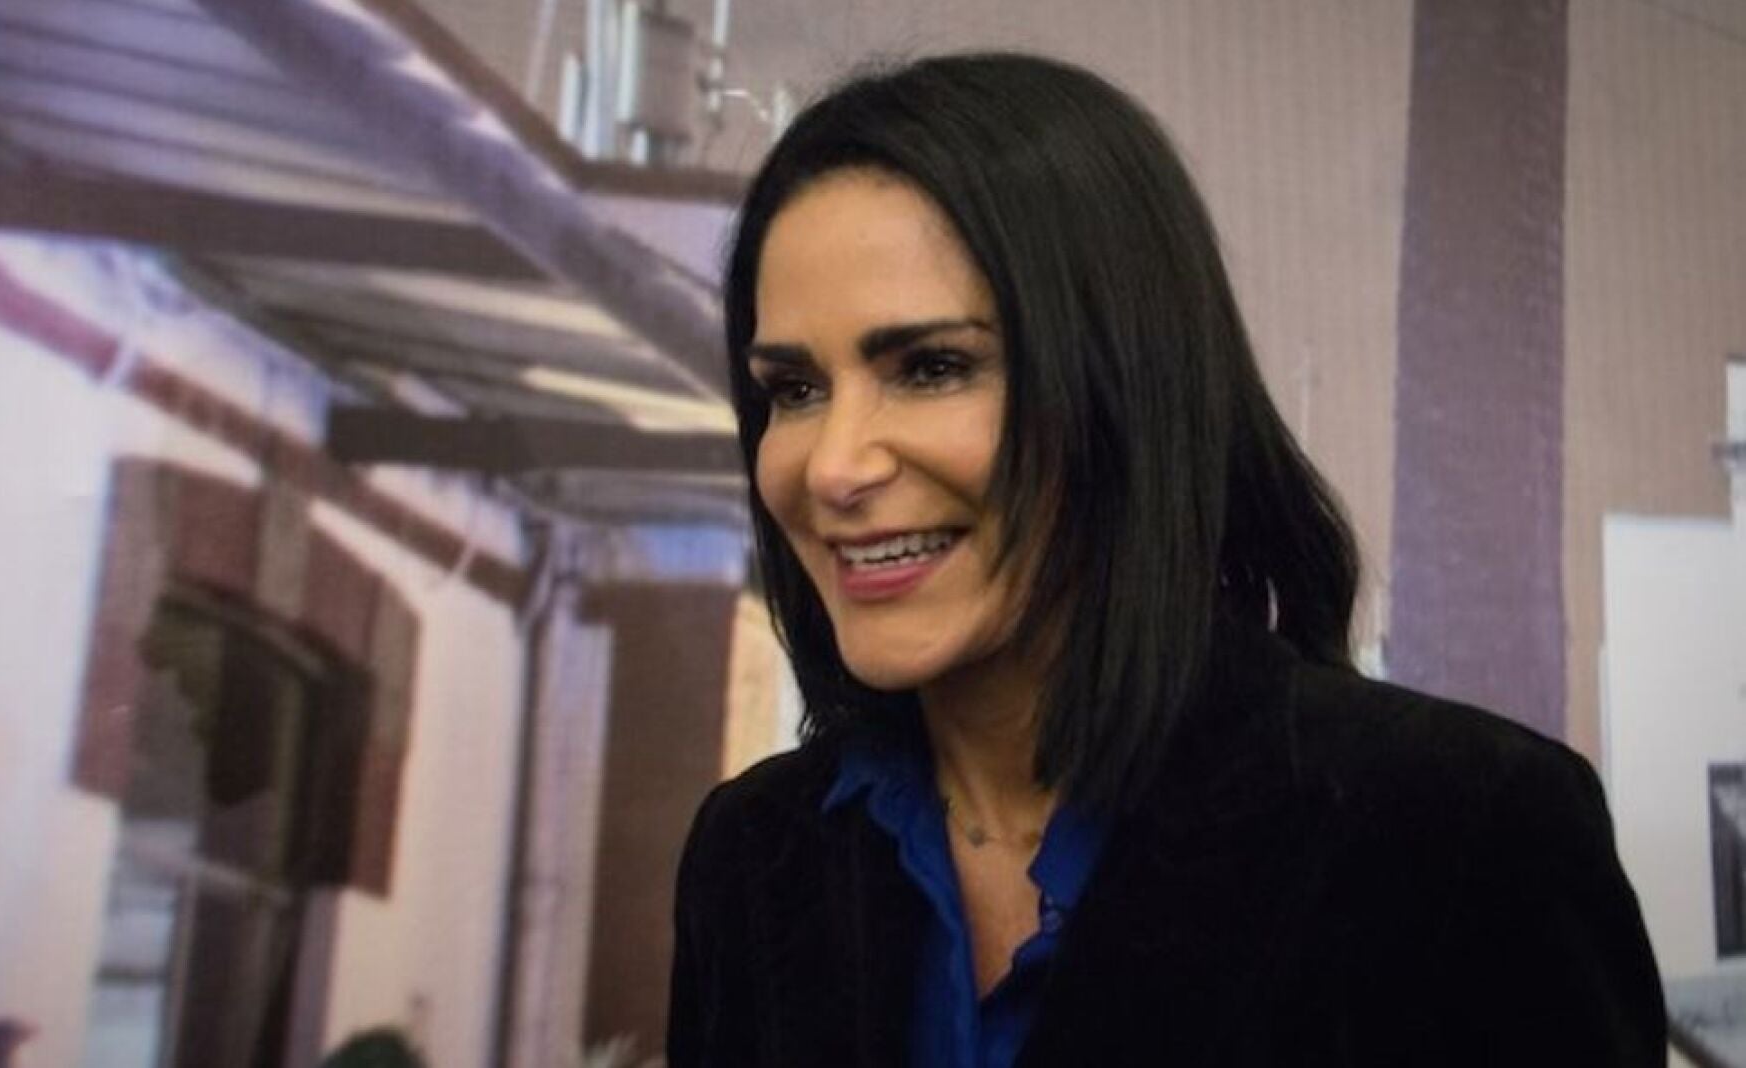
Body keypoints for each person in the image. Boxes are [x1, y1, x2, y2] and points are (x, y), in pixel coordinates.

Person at [668, 52, 1665, 1067]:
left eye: (932, 368)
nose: (833, 467)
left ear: (1124, 386)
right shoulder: (749, 855)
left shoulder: (1460, 833)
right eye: (794, 390)